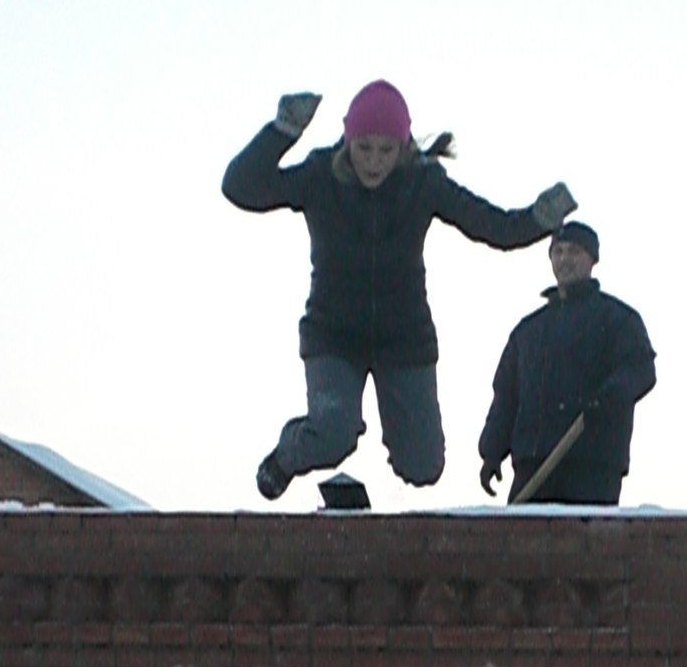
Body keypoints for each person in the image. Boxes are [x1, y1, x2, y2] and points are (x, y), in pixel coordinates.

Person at [222, 81, 576, 499]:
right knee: (333, 433)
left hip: (404, 339)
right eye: (364, 148)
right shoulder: (320, 176)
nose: (374, 161)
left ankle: (396, 440)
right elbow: (241, 187)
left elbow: (494, 227)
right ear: (347, 143)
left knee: (424, 465)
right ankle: (286, 456)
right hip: (333, 335)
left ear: (404, 148)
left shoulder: (423, 182)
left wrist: (539, 218)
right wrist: (282, 130)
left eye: (386, 150)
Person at [478, 221, 656, 506]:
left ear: (592, 259)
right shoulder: (528, 332)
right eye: (558, 252)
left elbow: (640, 369)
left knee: (583, 536)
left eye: (574, 251)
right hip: (533, 465)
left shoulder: (617, 320)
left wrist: (609, 397)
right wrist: (492, 450)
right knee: (521, 534)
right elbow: (506, 396)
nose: (565, 259)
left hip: (592, 464)